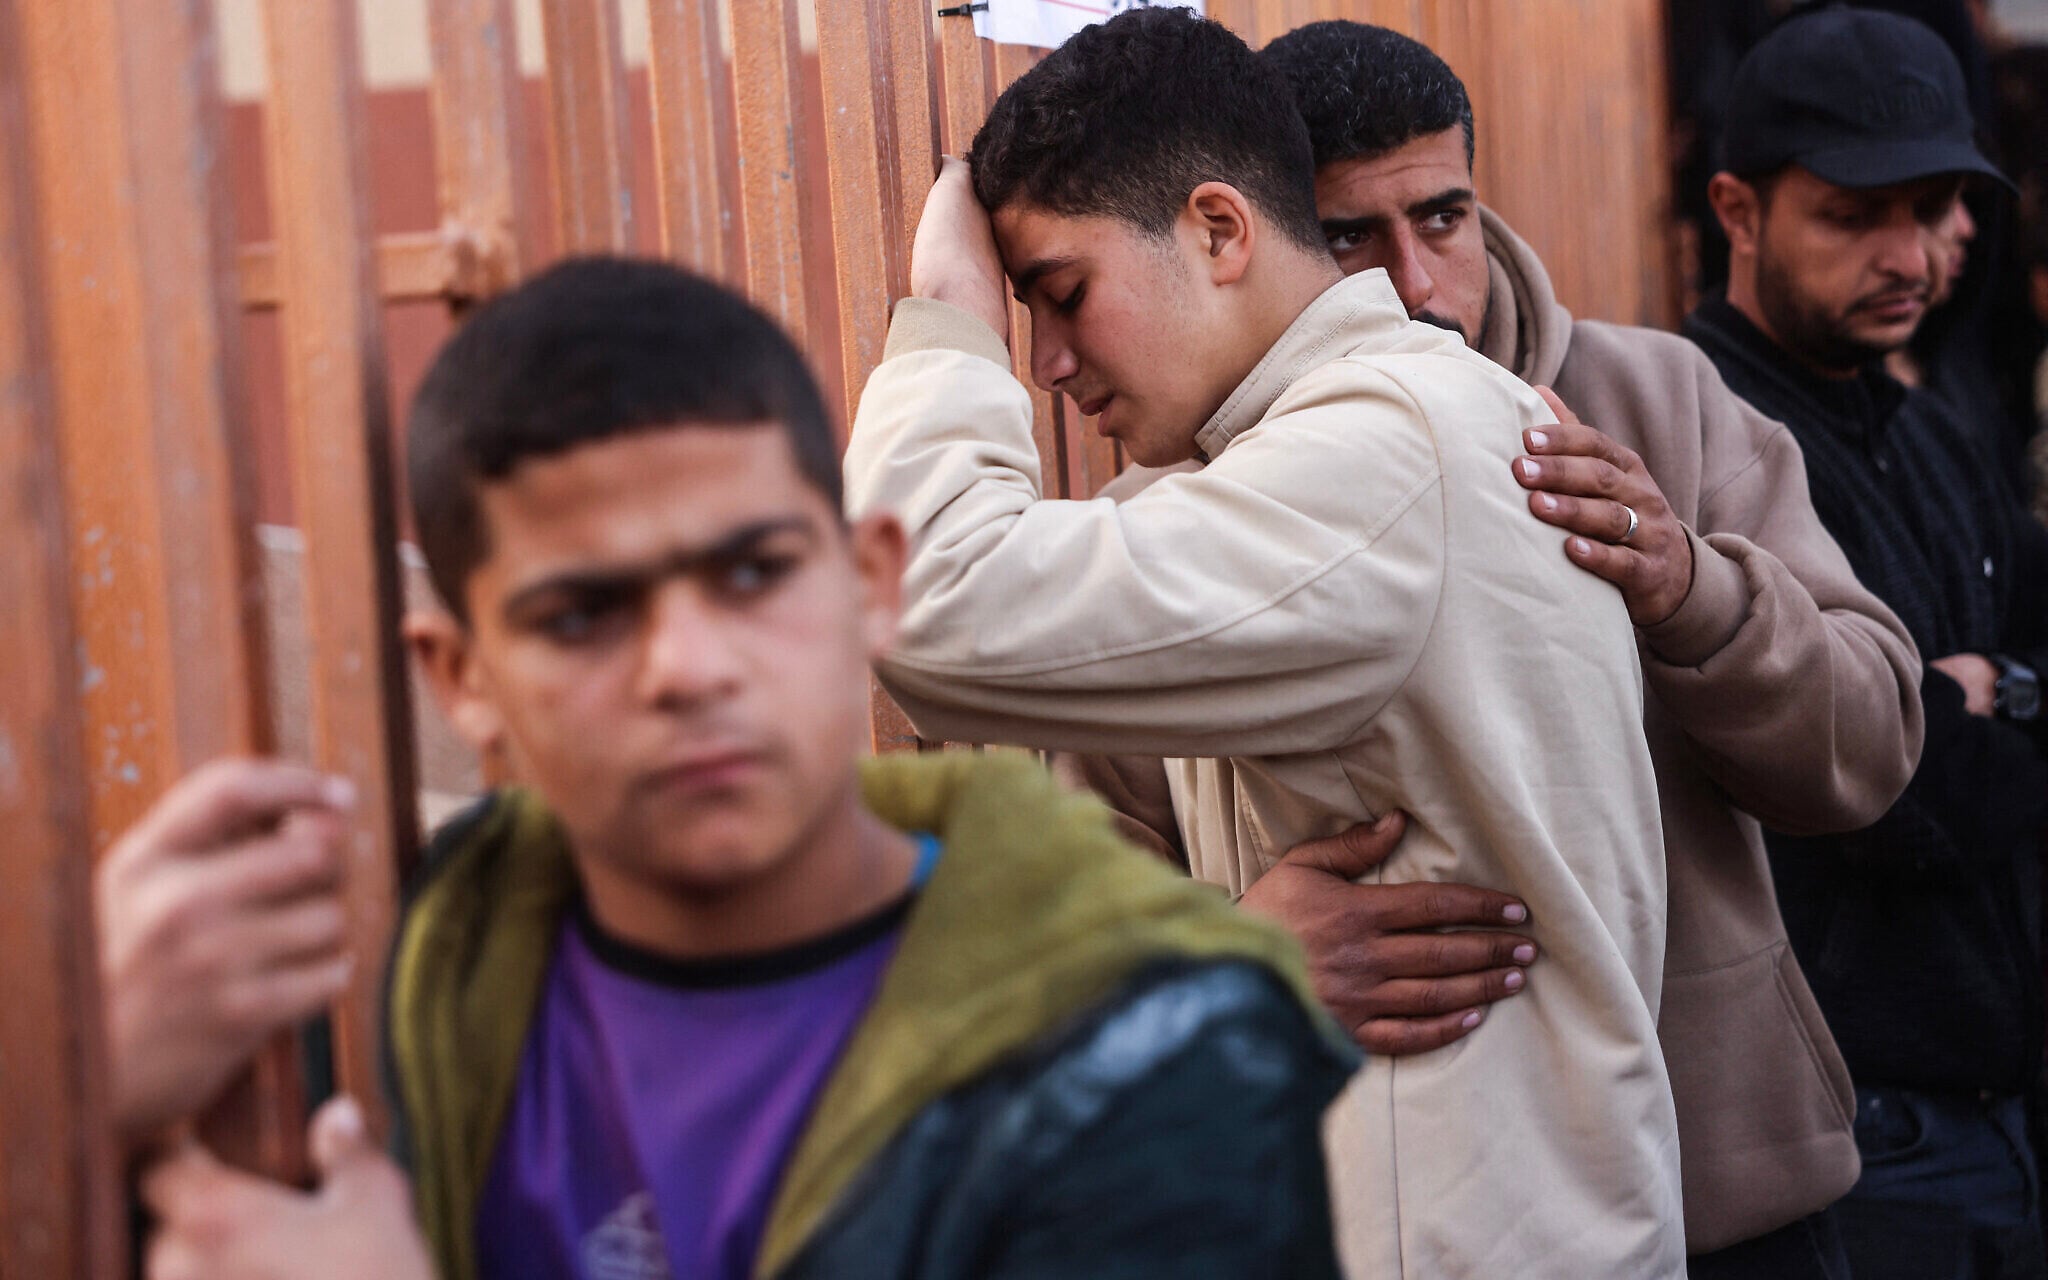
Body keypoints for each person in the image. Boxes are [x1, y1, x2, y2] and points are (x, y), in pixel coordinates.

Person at [131, 257, 1358, 1280]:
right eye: (580, 614)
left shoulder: (1151, 1048)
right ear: (462, 677)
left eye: (752, 573)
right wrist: (95, 1089)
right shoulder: (454, 940)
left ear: (870, 582)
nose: (687, 667)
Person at [1059, 21, 1925, 1278]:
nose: (1416, 281)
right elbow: (1078, 899)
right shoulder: (1172, 514)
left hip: (1724, 1199)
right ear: (1249, 239)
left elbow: (1872, 748)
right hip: (1397, 1224)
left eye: (1442, 216)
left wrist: (1689, 589)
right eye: (1349, 235)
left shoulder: (1656, 405)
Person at [843, 9, 1684, 1276]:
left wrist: (948, 311)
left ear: (1219, 230)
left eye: (1063, 296)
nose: (1049, 361)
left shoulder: (1377, 455)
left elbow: (924, 603)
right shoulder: (1363, 433)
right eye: (1020, 316)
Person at [1682, 9, 2048, 1277]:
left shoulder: (1924, 425)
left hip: (1994, 1106)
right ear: (1736, 209)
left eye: (1932, 208)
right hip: (1851, 1131)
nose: (1905, 255)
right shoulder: (1698, 440)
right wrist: (1939, 731)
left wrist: (1995, 693)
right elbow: (1898, 799)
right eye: (1849, 215)